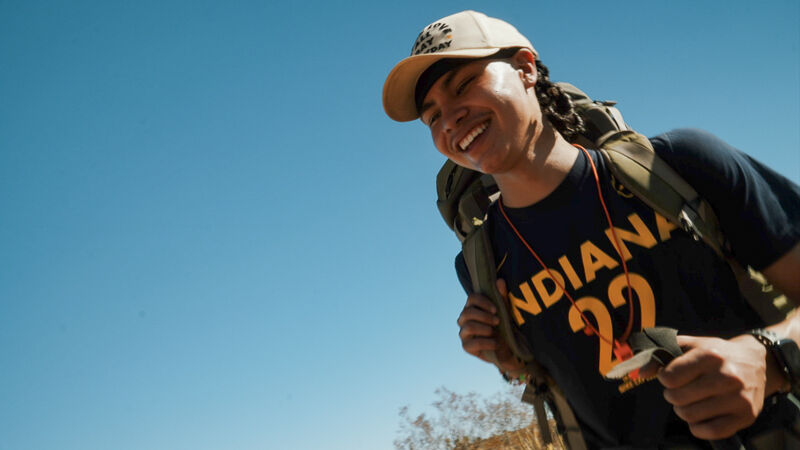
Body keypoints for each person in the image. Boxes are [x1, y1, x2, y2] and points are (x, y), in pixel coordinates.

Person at [382, 10, 800, 449]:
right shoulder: (481, 263)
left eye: (464, 85)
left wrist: (771, 358)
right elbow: (567, 379)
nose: (448, 119)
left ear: (525, 68)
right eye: (432, 117)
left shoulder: (682, 167)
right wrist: (511, 359)